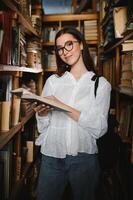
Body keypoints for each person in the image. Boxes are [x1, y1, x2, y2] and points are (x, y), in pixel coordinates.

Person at [33, 27, 111, 200]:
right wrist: (43, 114)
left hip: (84, 161)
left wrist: (62, 106)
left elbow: (99, 128)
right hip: (51, 158)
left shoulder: (100, 84)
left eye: (69, 44)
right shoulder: (53, 82)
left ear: (81, 45)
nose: (64, 52)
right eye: (60, 48)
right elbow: (43, 128)